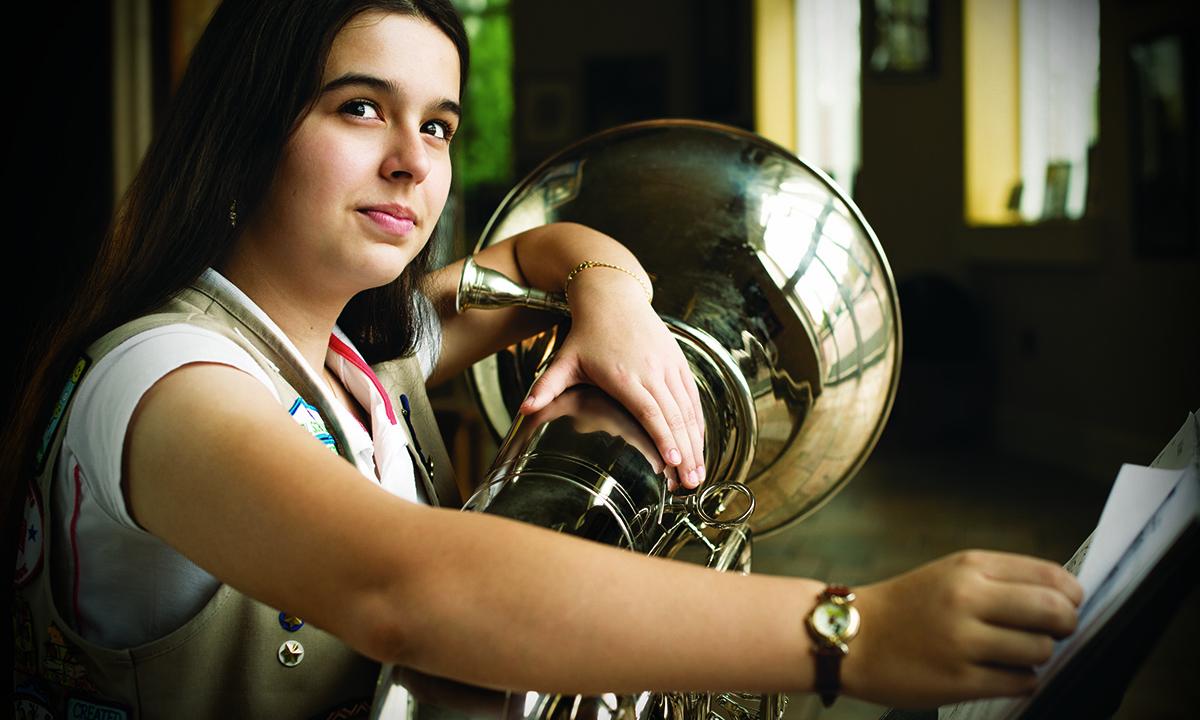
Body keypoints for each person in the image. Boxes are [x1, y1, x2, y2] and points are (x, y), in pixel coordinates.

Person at [7, 1, 1083, 717]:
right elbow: (405, 588)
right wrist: (854, 629)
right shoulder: (160, 382)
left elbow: (540, 252)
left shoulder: (362, 348)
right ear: (244, 130)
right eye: (360, 107)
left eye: (438, 125)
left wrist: (612, 293)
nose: (409, 161)